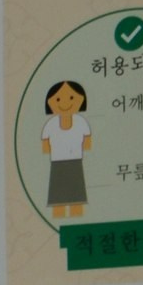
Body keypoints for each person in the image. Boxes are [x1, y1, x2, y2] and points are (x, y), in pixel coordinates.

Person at [42, 80, 91, 220]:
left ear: (81, 100)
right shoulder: (50, 124)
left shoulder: (81, 122)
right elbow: (45, 144)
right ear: (50, 103)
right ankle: (60, 218)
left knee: (77, 196)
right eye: (57, 99)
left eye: (71, 97)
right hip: (57, 162)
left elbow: (87, 140)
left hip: (75, 161)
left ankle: (78, 219)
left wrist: (86, 148)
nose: (64, 102)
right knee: (58, 199)